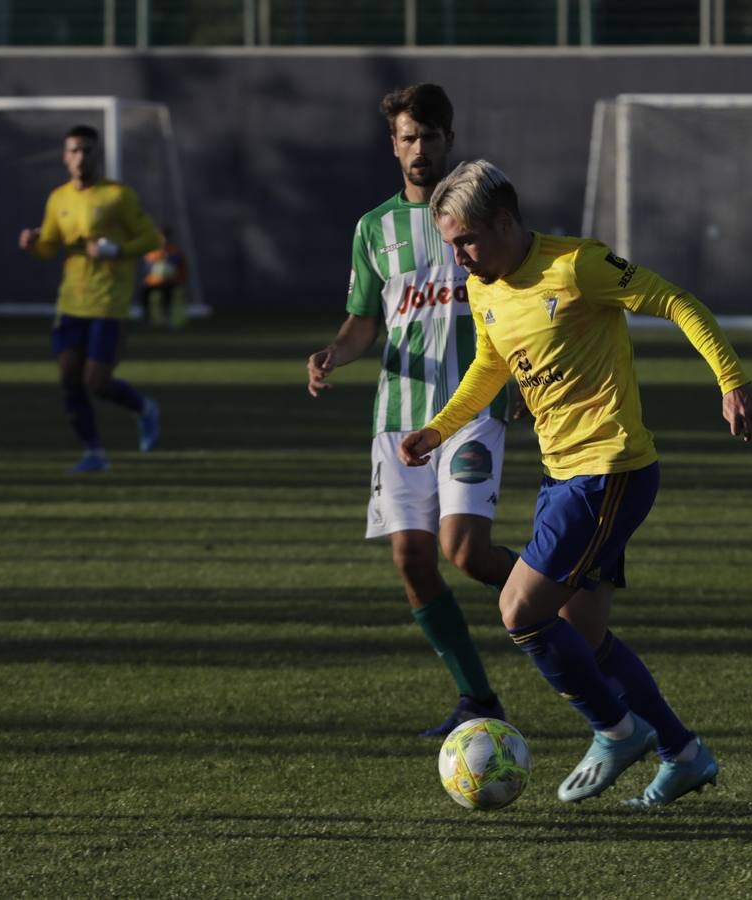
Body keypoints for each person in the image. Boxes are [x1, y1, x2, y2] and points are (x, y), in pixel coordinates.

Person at [398, 159, 752, 807]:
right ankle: (682, 753)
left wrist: (731, 380)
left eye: (464, 239)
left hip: (609, 470)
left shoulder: (577, 266)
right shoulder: (487, 286)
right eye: (450, 243)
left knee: (520, 612)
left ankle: (615, 730)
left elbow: (675, 302)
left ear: (505, 221)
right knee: (586, 636)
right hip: (564, 473)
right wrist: (438, 429)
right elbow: (493, 364)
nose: (457, 256)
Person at [306, 85, 520, 738]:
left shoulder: (481, 211)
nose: (419, 149)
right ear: (393, 144)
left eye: (430, 136)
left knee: (467, 552)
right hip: (398, 419)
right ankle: (478, 699)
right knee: (412, 561)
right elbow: (364, 323)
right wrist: (332, 355)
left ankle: (566, 592)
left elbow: (518, 292)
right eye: (408, 137)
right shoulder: (374, 228)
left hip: (473, 408)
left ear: (448, 141)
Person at [19, 124, 162, 473]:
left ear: (97, 155)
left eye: (87, 150)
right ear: (65, 157)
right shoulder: (58, 199)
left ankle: (143, 408)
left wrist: (116, 249)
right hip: (71, 303)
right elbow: (50, 245)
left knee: (95, 381)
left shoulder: (118, 197)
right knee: (69, 376)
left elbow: (152, 239)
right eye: (74, 150)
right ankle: (94, 452)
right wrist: (33, 244)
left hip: (108, 302)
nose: (81, 157)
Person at [142, 226, 188, 328]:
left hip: (169, 281)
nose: (164, 240)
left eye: (165, 237)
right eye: (161, 237)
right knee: (145, 294)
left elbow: (180, 266)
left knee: (168, 295)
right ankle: (148, 318)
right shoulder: (152, 251)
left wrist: (178, 278)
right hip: (154, 282)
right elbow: (148, 267)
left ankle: (168, 317)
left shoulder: (175, 250)